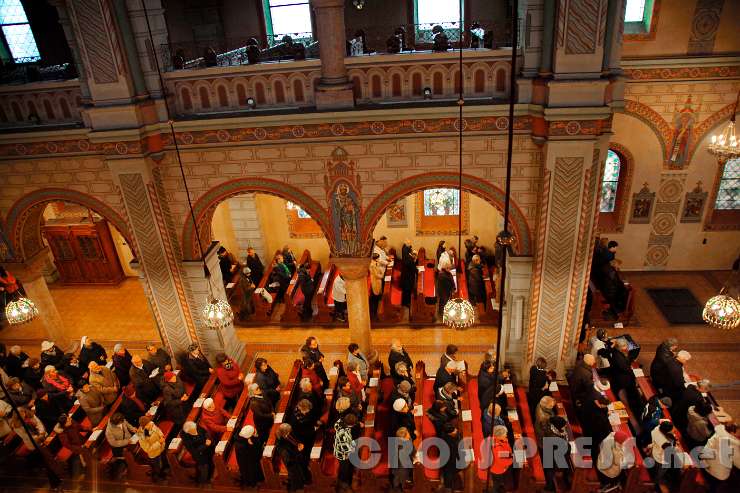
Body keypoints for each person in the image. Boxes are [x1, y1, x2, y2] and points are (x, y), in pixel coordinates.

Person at [701, 423, 740, 492]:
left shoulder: (719, 433)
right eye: (738, 434)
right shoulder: (732, 444)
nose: (739, 436)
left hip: (704, 462)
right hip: (715, 473)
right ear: (731, 432)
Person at [608, 337, 641, 414]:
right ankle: (634, 409)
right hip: (622, 379)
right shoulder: (618, 357)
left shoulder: (617, 352)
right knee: (632, 393)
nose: (627, 347)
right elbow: (626, 369)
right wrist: (634, 376)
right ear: (621, 347)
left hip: (621, 376)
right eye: (625, 346)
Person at [288, 399, 316, 484]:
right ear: (301, 409)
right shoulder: (295, 420)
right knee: (304, 457)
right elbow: (301, 432)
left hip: (307, 435)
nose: (307, 412)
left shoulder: (302, 414)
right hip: (302, 438)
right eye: (306, 411)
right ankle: (306, 477)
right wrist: (313, 429)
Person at [275, 423, 307, 492]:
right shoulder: (282, 448)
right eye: (288, 432)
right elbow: (289, 460)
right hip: (291, 464)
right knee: (295, 475)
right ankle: (295, 488)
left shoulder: (285, 434)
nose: (290, 433)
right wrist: (298, 451)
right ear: (284, 433)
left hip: (293, 455)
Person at [105, 412, 137, 479]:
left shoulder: (122, 420)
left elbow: (128, 425)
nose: (122, 423)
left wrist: (134, 429)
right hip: (119, 448)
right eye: (121, 422)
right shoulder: (108, 431)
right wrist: (126, 442)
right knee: (128, 456)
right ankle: (128, 468)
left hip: (128, 440)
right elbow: (114, 443)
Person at [651, 420, 681, 490]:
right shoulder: (664, 442)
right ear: (667, 432)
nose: (673, 430)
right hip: (661, 458)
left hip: (655, 451)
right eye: (672, 430)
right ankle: (656, 483)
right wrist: (677, 448)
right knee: (661, 472)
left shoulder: (657, 428)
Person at [182, 420, 214, 484]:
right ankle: (203, 482)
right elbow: (194, 451)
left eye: (195, 428)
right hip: (199, 454)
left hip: (207, 449)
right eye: (193, 430)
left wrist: (208, 438)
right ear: (188, 431)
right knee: (204, 466)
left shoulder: (196, 427)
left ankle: (209, 476)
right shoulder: (186, 438)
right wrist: (205, 445)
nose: (195, 431)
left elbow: (205, 433)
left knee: (211, 463)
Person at [136, 415, 166, 482]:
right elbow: (148, 449)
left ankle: (162, 471)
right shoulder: (141, 437)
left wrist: (162, 436)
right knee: (157, 466)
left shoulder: (151, 424)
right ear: (144, 426)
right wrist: (159, 443)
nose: (152, 424)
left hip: (161, 448)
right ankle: (158, 476)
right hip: (154, 453)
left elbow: (158, 430)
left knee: (162, 461)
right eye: (149, 424)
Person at [334, 413, 358, 493]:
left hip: (340, 449)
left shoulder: (340, 422)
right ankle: (343, 484)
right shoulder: (343, 434)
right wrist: (353, 448)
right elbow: (345, 448)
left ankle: (342, 481)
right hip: (343, 455)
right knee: (345, 469)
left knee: (343, 468)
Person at [570, 354, 596, 423]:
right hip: (579, 393)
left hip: (575, 389)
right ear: (589, 362)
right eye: (593, 361)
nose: (594, 362)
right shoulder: (586, 373)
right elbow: (589, 386)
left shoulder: (580, 363)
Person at [390, 426, 415, 493]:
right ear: (404, 438)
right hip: (402, 472)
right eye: (408, 433)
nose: (409, 434)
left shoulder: (404, 442)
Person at [490, 424, 513, 493]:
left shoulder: (496, 440)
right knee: (497, 484)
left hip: (495, 468)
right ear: (499, 436)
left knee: (497, 483)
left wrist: (510, 455)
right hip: (498, 470)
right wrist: (512, 459)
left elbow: (502, 454)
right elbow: (503, 461)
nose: (506, 435)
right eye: (505, 434)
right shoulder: (498, 447)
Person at [399, 240, 417, 321]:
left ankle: (406, 302)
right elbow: (411, 265)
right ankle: (406, 303)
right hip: (408, 277)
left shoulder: (406, 254)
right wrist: (416, 268)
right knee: (407, 290)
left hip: (407, 276)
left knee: (407, 290)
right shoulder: (408, 258)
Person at [440, 423, 462, 491]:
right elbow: (455, 453)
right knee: (449, 480)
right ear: (449, 433)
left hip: (446, 463)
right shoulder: (451, 442)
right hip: (450, 463)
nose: (456, 430)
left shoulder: (443, 436)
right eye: (454, 430)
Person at [369, 253, 384, 321]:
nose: (379, 259)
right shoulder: (372, 265)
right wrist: (382, 275)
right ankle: (374, 312)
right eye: (378, 258)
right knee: (375, 296)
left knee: (377, 295)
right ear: (376, 258)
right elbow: (376, 274)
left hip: (377, 280)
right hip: (375, 281)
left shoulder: (375, 263)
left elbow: (379, 270)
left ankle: (375, 309)